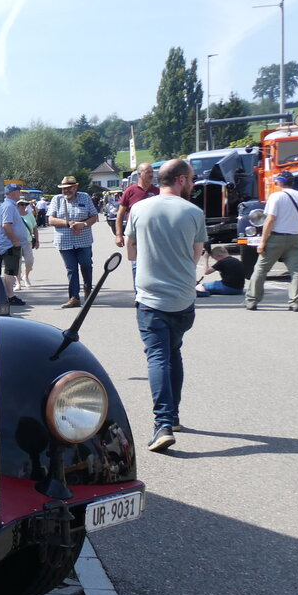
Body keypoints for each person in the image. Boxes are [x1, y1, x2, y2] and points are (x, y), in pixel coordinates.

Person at [125, 159, 207, 453]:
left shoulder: (138, 208)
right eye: (192, 179)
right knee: (173, 352)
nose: (193, 184)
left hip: (150, 298)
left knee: (158, 357)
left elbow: (131, 252)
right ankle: (172, 417)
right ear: (181, 179)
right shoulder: (194, 212)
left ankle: (162, 424)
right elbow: (196, 254)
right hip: (183, 299)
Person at [245, 171, 298, 311]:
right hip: (296, 238)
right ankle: (296, 303)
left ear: (281, 182)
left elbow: (270, 219)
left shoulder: (275, 196)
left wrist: (262, 242)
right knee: (296, 271)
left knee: (261, 269)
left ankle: (252, 300)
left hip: (276, 238)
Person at [49, 176, 99, 308]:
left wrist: (84, 224)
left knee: (86, 265)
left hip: (83, 240)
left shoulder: (85, 197)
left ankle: (88, 289)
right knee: (71, 269)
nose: (65, 191)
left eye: (68, 188)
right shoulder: (57, 199)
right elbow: (51, 220)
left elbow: (94, 217)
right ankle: (74, 297)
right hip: (64, 242)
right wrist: (68, 223)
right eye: (63, 189)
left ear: (75, 187)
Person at [0, 184, 28, 305]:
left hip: (10, 243)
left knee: (11, 270)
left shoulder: (10, 205)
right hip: (10, 244)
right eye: (18, 191)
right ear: (13, 193)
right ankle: (10, 296)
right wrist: (14, 240)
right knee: (9, 271)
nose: (20, 194)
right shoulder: (9, 206)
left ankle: (9, 295)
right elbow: (6, 225)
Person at [17, 197, 39, 288]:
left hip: (27, 241)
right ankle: (18, 282)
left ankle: (26, 276)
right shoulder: (14, 215)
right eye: (21, 204)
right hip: (16, 242)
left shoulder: (30, 215)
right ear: (17, 205)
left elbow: (35, 228)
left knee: (29, 261)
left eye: (25, 204)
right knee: (16, 263)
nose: (23, 206)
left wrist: (37, 241)